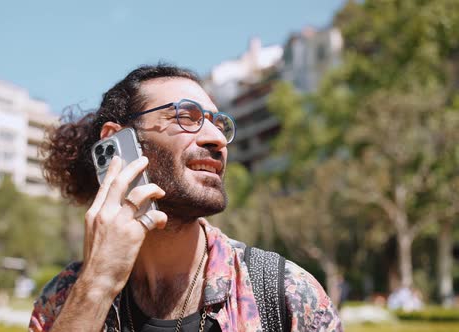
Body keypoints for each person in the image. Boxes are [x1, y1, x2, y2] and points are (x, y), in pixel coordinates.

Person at [29, 64, 342, 331]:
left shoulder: (285, 293)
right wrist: (96, 286)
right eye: (186, 117)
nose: (218, 138)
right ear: (116, 141)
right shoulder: (65, 297)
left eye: (219, 124)